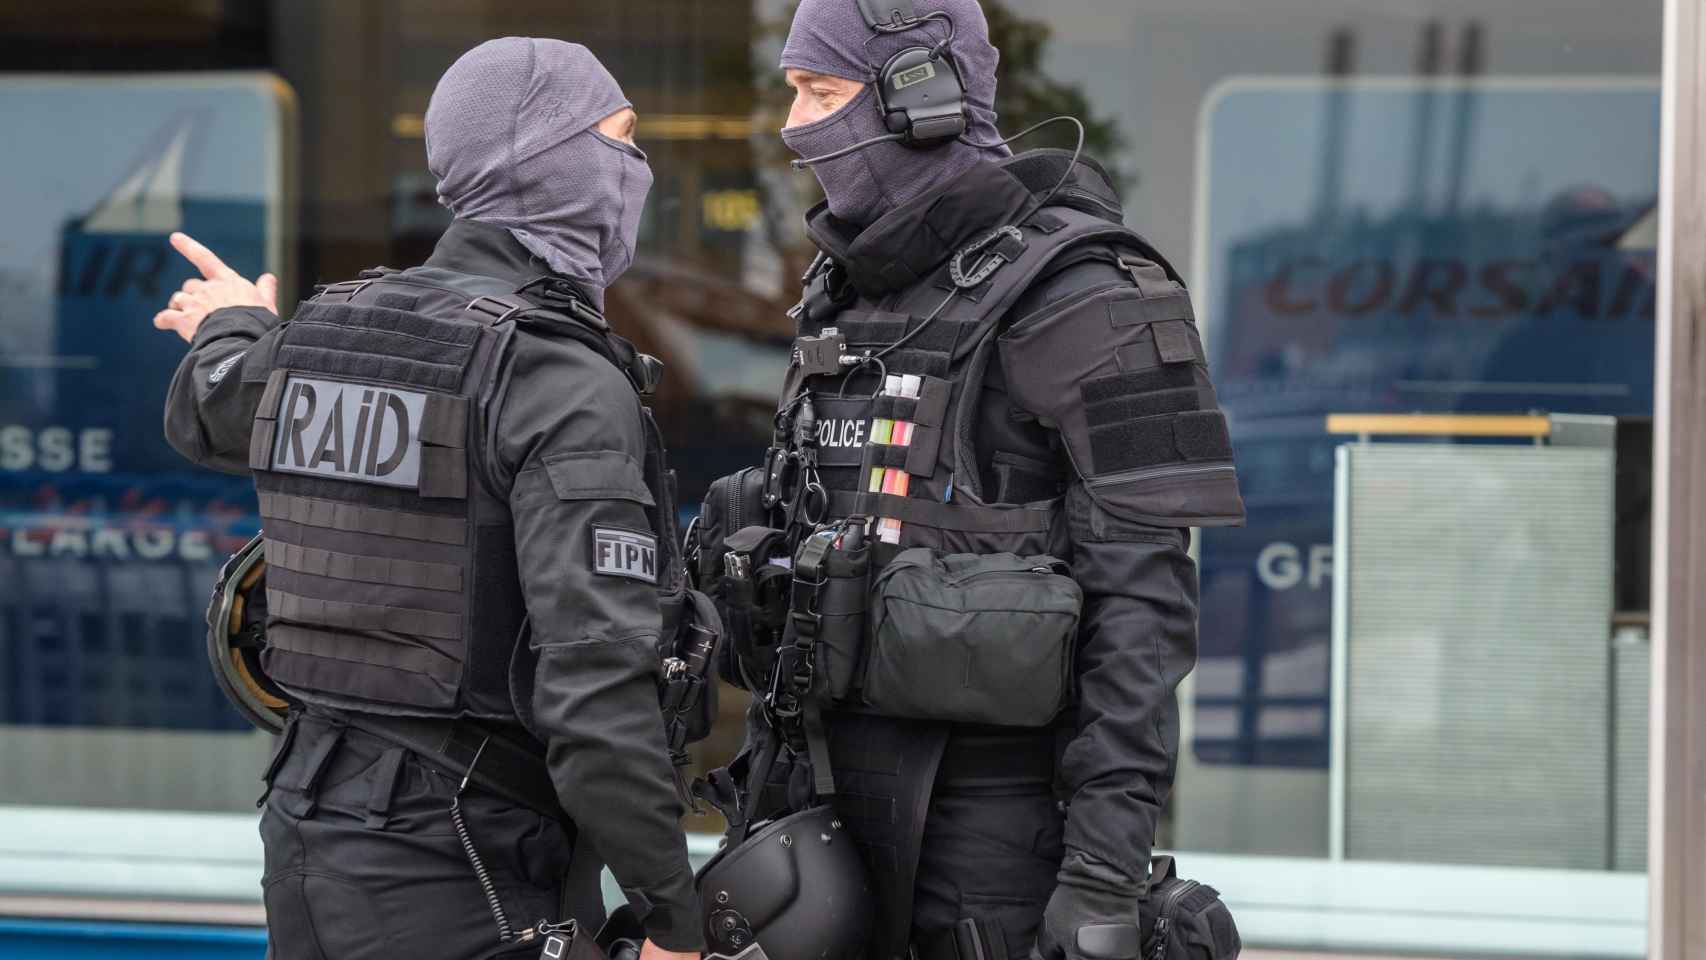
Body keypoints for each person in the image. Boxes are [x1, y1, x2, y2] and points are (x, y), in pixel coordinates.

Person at [710, 2, 1246, 959]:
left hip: (995, 840)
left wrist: (1100, 883)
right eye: (791, 89)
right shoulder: (849, 289)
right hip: (820, 818)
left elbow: (1142, 624)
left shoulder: (1088, 296)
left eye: (821, 90)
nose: (794, 124)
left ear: (923, 99)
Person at [154, 37, 703, 960]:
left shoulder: (327, 331)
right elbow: (596, 688)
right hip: (464, 860)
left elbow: (213, 403)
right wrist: (672, 919)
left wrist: (237, 319)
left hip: (304, 832)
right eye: (621, 139)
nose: (636, 170)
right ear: (552, 160)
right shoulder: (556, 379)